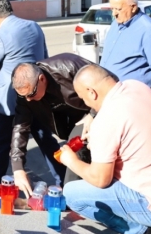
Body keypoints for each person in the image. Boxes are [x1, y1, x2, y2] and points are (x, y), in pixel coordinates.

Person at [0, 0, 61, 181]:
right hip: (36, 94)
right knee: (46, 140)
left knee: (1, 141)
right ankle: (62, 180)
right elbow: (45, 57)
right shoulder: (33, 26)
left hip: (11, 99)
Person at [62, 64, 151, 234]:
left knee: (71, 193)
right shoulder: (136, 86)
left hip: (148, 201)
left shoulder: (105, 120)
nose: (86, 104)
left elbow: (101, 179)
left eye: (83, 98)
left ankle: (140, 231)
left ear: (91, 92)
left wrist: (70, 160)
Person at [10, 53, 96, 198]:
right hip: (68, 122)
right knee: (77, 156)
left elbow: (108, 83)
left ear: (41, 79)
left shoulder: (68, 66)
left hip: (90, 112)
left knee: (74, 156)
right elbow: (20, 127)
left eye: (31, 94)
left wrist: (93, 114)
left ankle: (73, 198)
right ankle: (82, 194)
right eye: (23, 96)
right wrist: (18, 168)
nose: (28, 100)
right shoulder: (26, 94)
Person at [100, 0, 151, 87]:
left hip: (131, 96)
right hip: (108, 91)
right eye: (112, 9)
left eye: (118, 9)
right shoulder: (115, 24)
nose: (114, 14)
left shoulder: (148, 29)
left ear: (133, 7)